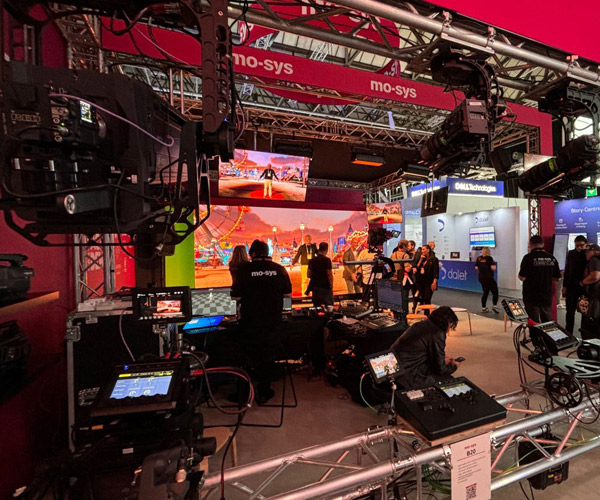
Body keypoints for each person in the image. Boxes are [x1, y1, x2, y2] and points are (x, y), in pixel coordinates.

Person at [231, 239, 292, 404]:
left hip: (250, 323)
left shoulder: (244, 270)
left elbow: (235, 296)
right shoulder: (279, 269)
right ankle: (264, 392)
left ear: (252, 254)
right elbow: (287, 294)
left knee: (245, 356)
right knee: (268, 356)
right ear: (268, 253)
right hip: (272, 324)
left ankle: (244, 393)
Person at [390, 306, 459, 388]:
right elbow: (441, 369)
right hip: (407, 373)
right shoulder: (437, 333)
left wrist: (441, 360)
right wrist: (454, 366)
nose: (449, 329)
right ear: (448, 322)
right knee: (448, 381)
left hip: (394, 365)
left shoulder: (420, 324)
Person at [518, 235, 561, 323]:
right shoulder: (552, 258)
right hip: (546, 295)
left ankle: (534, 333)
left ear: (530, 244)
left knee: (533, 322)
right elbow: (557, 278)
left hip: (531, 296)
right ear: (542, 244)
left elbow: (522, 277)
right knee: (547, 322)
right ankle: (546, 332)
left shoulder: (528, 258)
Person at [562, 235, 589, 333]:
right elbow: (568, 270)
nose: (579, 248)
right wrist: (564, 286)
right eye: (577, 245)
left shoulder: (588, 254)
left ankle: (584, 332)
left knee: (585, 311)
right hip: (571, 286)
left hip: (584, 286)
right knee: (570, 311)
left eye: (581, 245)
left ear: (586, 244)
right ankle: (569, 333)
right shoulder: (571, 253)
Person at [579, 244, 600, 339]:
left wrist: (583, 282)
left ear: (593, 251)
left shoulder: (594, 260)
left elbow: (595, 276)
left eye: (587, 252)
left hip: (595, 295)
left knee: (592, 320)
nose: (586, 254)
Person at [307, 242, 334, 310]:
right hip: (326, 287)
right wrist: (331, 285)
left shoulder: (312, 261)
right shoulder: (327, 260)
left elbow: (308, 275)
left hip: (316, 287)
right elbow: (329, 274)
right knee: (329, 308)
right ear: (326, 250)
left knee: (317, 308)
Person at [412, 244, 439, 313]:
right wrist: (420, 259)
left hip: (429, 282)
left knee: (427, 299)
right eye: (422, 249)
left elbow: (436, 271)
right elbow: (417, 268)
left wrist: (434, 282)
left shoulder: (434, 259)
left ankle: (427, 314)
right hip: (421, 281)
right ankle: (425, 312)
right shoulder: (423, 259)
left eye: (424, 249)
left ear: (428, 250)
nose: (422, 251)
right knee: (422, 298)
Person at [475, 247, 499, 313]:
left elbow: (476, 267)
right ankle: (494, 306)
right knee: (495, 292)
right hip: (489, 278)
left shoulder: (479, 258)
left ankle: (484, 308)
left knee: (485, 292)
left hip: (481, 278)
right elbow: (493, 267)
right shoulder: (489, 258)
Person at [391, 239, 412, 314]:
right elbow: (407, 269)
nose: (408, 248)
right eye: (407, 246)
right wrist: (411, 266)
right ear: (404, 246)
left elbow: (390, 268)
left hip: (394, 278)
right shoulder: (405, 255)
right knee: (404, 297)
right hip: (402, 279)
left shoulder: (393, 254)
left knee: (395, 296)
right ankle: (404, 313)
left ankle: (395, 312)